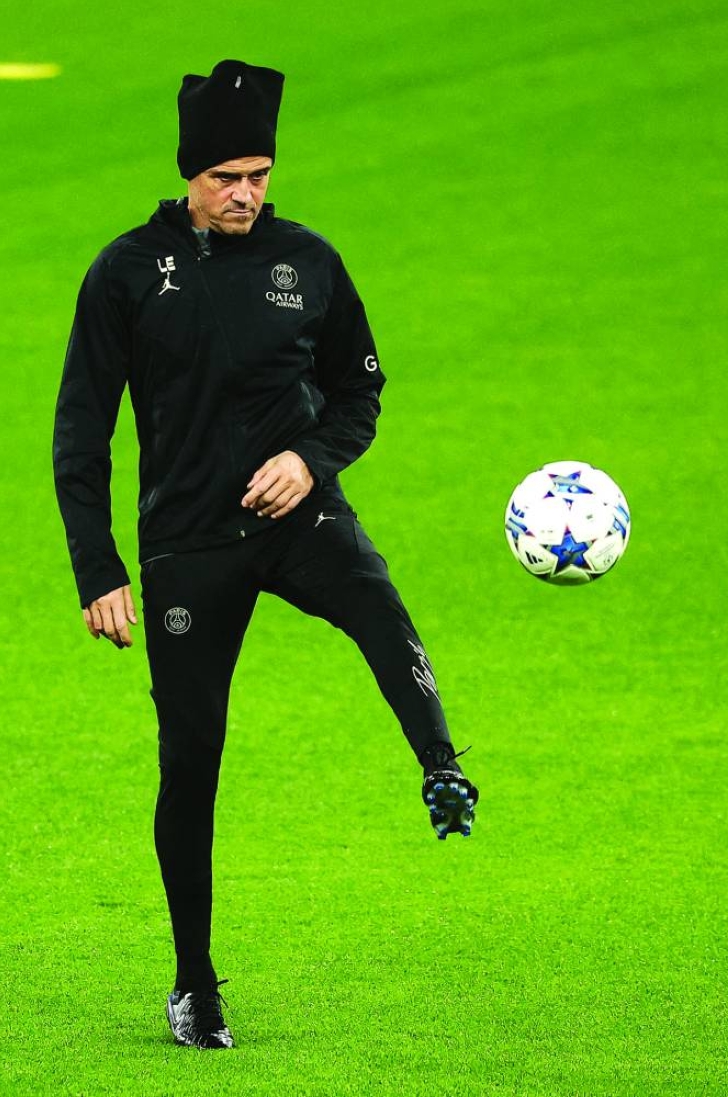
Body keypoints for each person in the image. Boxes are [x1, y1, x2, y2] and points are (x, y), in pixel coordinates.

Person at [53, 59, 478, 1051]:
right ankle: (194, 981)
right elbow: (82, 433)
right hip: (188, 545)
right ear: (190, 175)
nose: (246, 192)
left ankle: (442, 765)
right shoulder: (125, 272)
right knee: (191, 759)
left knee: (378, 603)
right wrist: (98, 567)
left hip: (297, 517)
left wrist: (307, 457)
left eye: (259, 172)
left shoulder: (311, 262)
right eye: (227, 176)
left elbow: (360, 393)